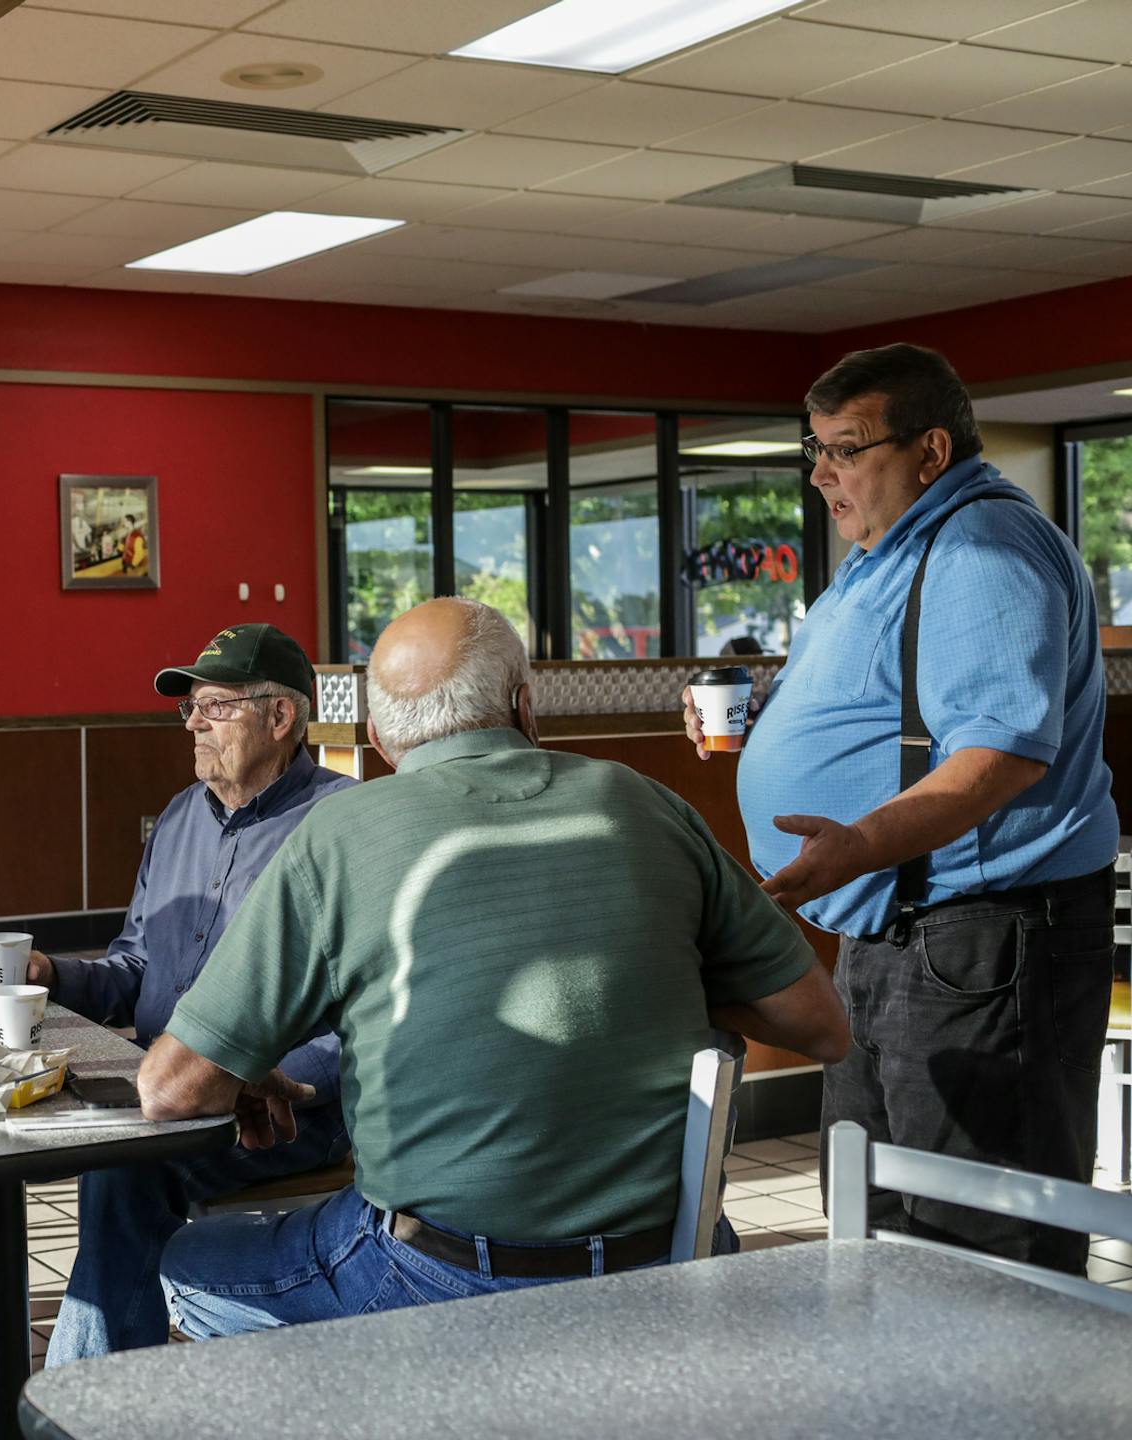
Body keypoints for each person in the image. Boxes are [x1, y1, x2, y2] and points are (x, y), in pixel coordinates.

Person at [141, 598, 850, 1340]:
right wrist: (640, 979)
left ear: (381, 741)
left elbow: (168, 1091)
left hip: (432, 1277)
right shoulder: (645, 802)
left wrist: (246, 1065)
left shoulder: (340, 834)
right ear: (524, 707)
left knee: (188, 1265)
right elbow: (824, 1027)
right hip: (669, 1267)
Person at [685, 343, 1118, 1274]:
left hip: (983, 940)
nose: (821, 473)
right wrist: (768, 722)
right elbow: (887, 698)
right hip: (899, 929)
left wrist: (859, 844)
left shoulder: (982, 549)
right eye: (815, 449)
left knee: (980, 1241)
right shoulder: (891, 549)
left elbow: (1002, 758)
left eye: (847, 448)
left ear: (929, 452)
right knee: (879, 1220)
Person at [0, 622, 356, 1440]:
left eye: (216, 706)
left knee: (122, 1176)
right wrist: (53, 976)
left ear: (283, 717)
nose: (195, 723)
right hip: (153, 1085)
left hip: (280, 1110)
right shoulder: (178, 818)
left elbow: (363, 1014)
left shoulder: (345, 824)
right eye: (191, 709)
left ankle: (83, 1418)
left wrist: (237, 1078)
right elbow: (134, 969)